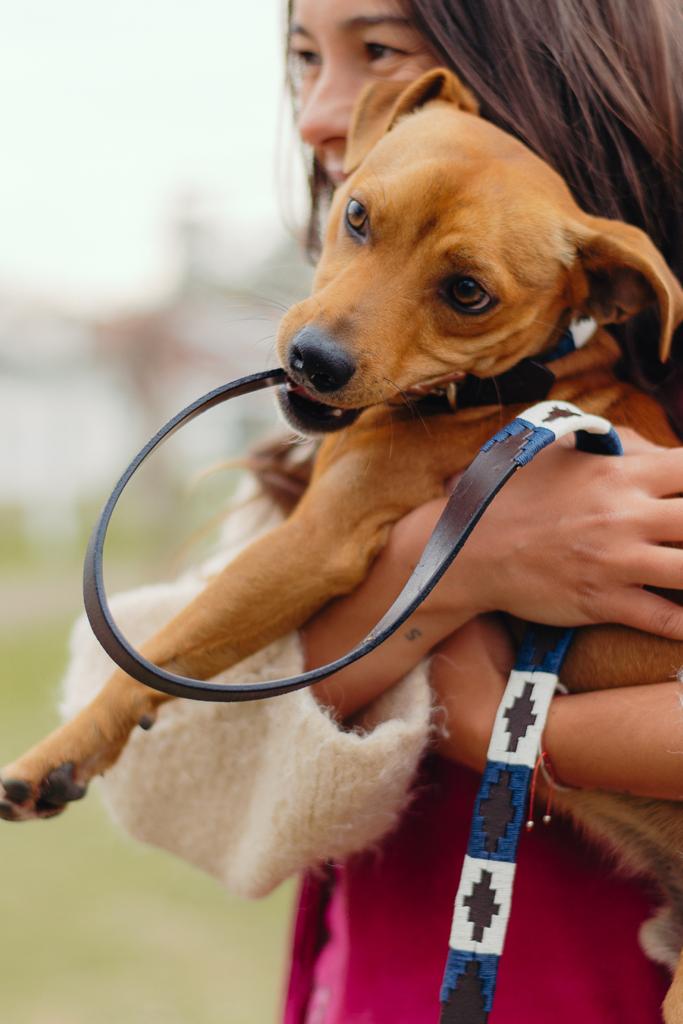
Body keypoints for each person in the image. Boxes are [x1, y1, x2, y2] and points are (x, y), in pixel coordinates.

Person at [60, 0, 683, 1020]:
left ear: (554, 70)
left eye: (377, 51)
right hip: (384, 981)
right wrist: (461, 562)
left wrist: (498, 726)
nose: (322, 112)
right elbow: (153, 756)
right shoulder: (355, 416)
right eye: (303, 56)